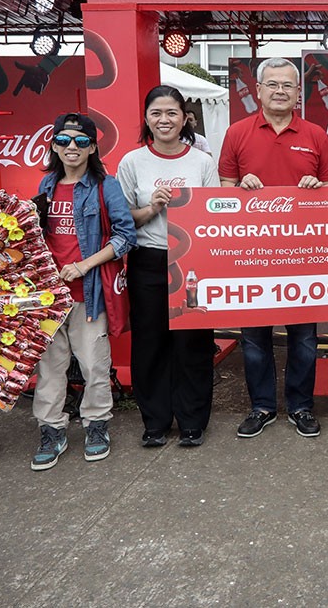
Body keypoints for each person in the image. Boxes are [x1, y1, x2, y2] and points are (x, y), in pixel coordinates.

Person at [219, 58, 328, 439]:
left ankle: (301, 406)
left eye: (288, 85)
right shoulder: (237, 132)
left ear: (298, 93)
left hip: (304, 256)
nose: (280, 91)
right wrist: (239, 188)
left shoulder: (317, 134)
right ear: (258, 90)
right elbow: (223, 191)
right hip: (253, 256)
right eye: (272, 85)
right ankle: (263, 406)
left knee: (305, 339)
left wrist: (318, 188)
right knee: (254, 339)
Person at [29, 113, 136, 470]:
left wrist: (84, 265)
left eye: (79, 141)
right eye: (63, 140)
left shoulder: (106, 186)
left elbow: (125, 237)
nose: (71, 147)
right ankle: (52, 429)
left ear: (92, 147)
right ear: (54, 146)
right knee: (50, 368)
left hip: (88, 294)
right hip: (48, 297)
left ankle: (96, 425)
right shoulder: (45, 185)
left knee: (94, 364)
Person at [118, 86, 220, 448]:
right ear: (146, 118)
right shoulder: (132, 162)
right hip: (149, 259)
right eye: (157, 113)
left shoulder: (202, 162)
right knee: (150, 342)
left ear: (184, 119)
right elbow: (122, 219)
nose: (164, 120)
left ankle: (193, 421)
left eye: (172, 113)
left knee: (193, 341)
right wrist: (151, 209)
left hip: (192, 261)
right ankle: (155, 421)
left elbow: (214, 215)